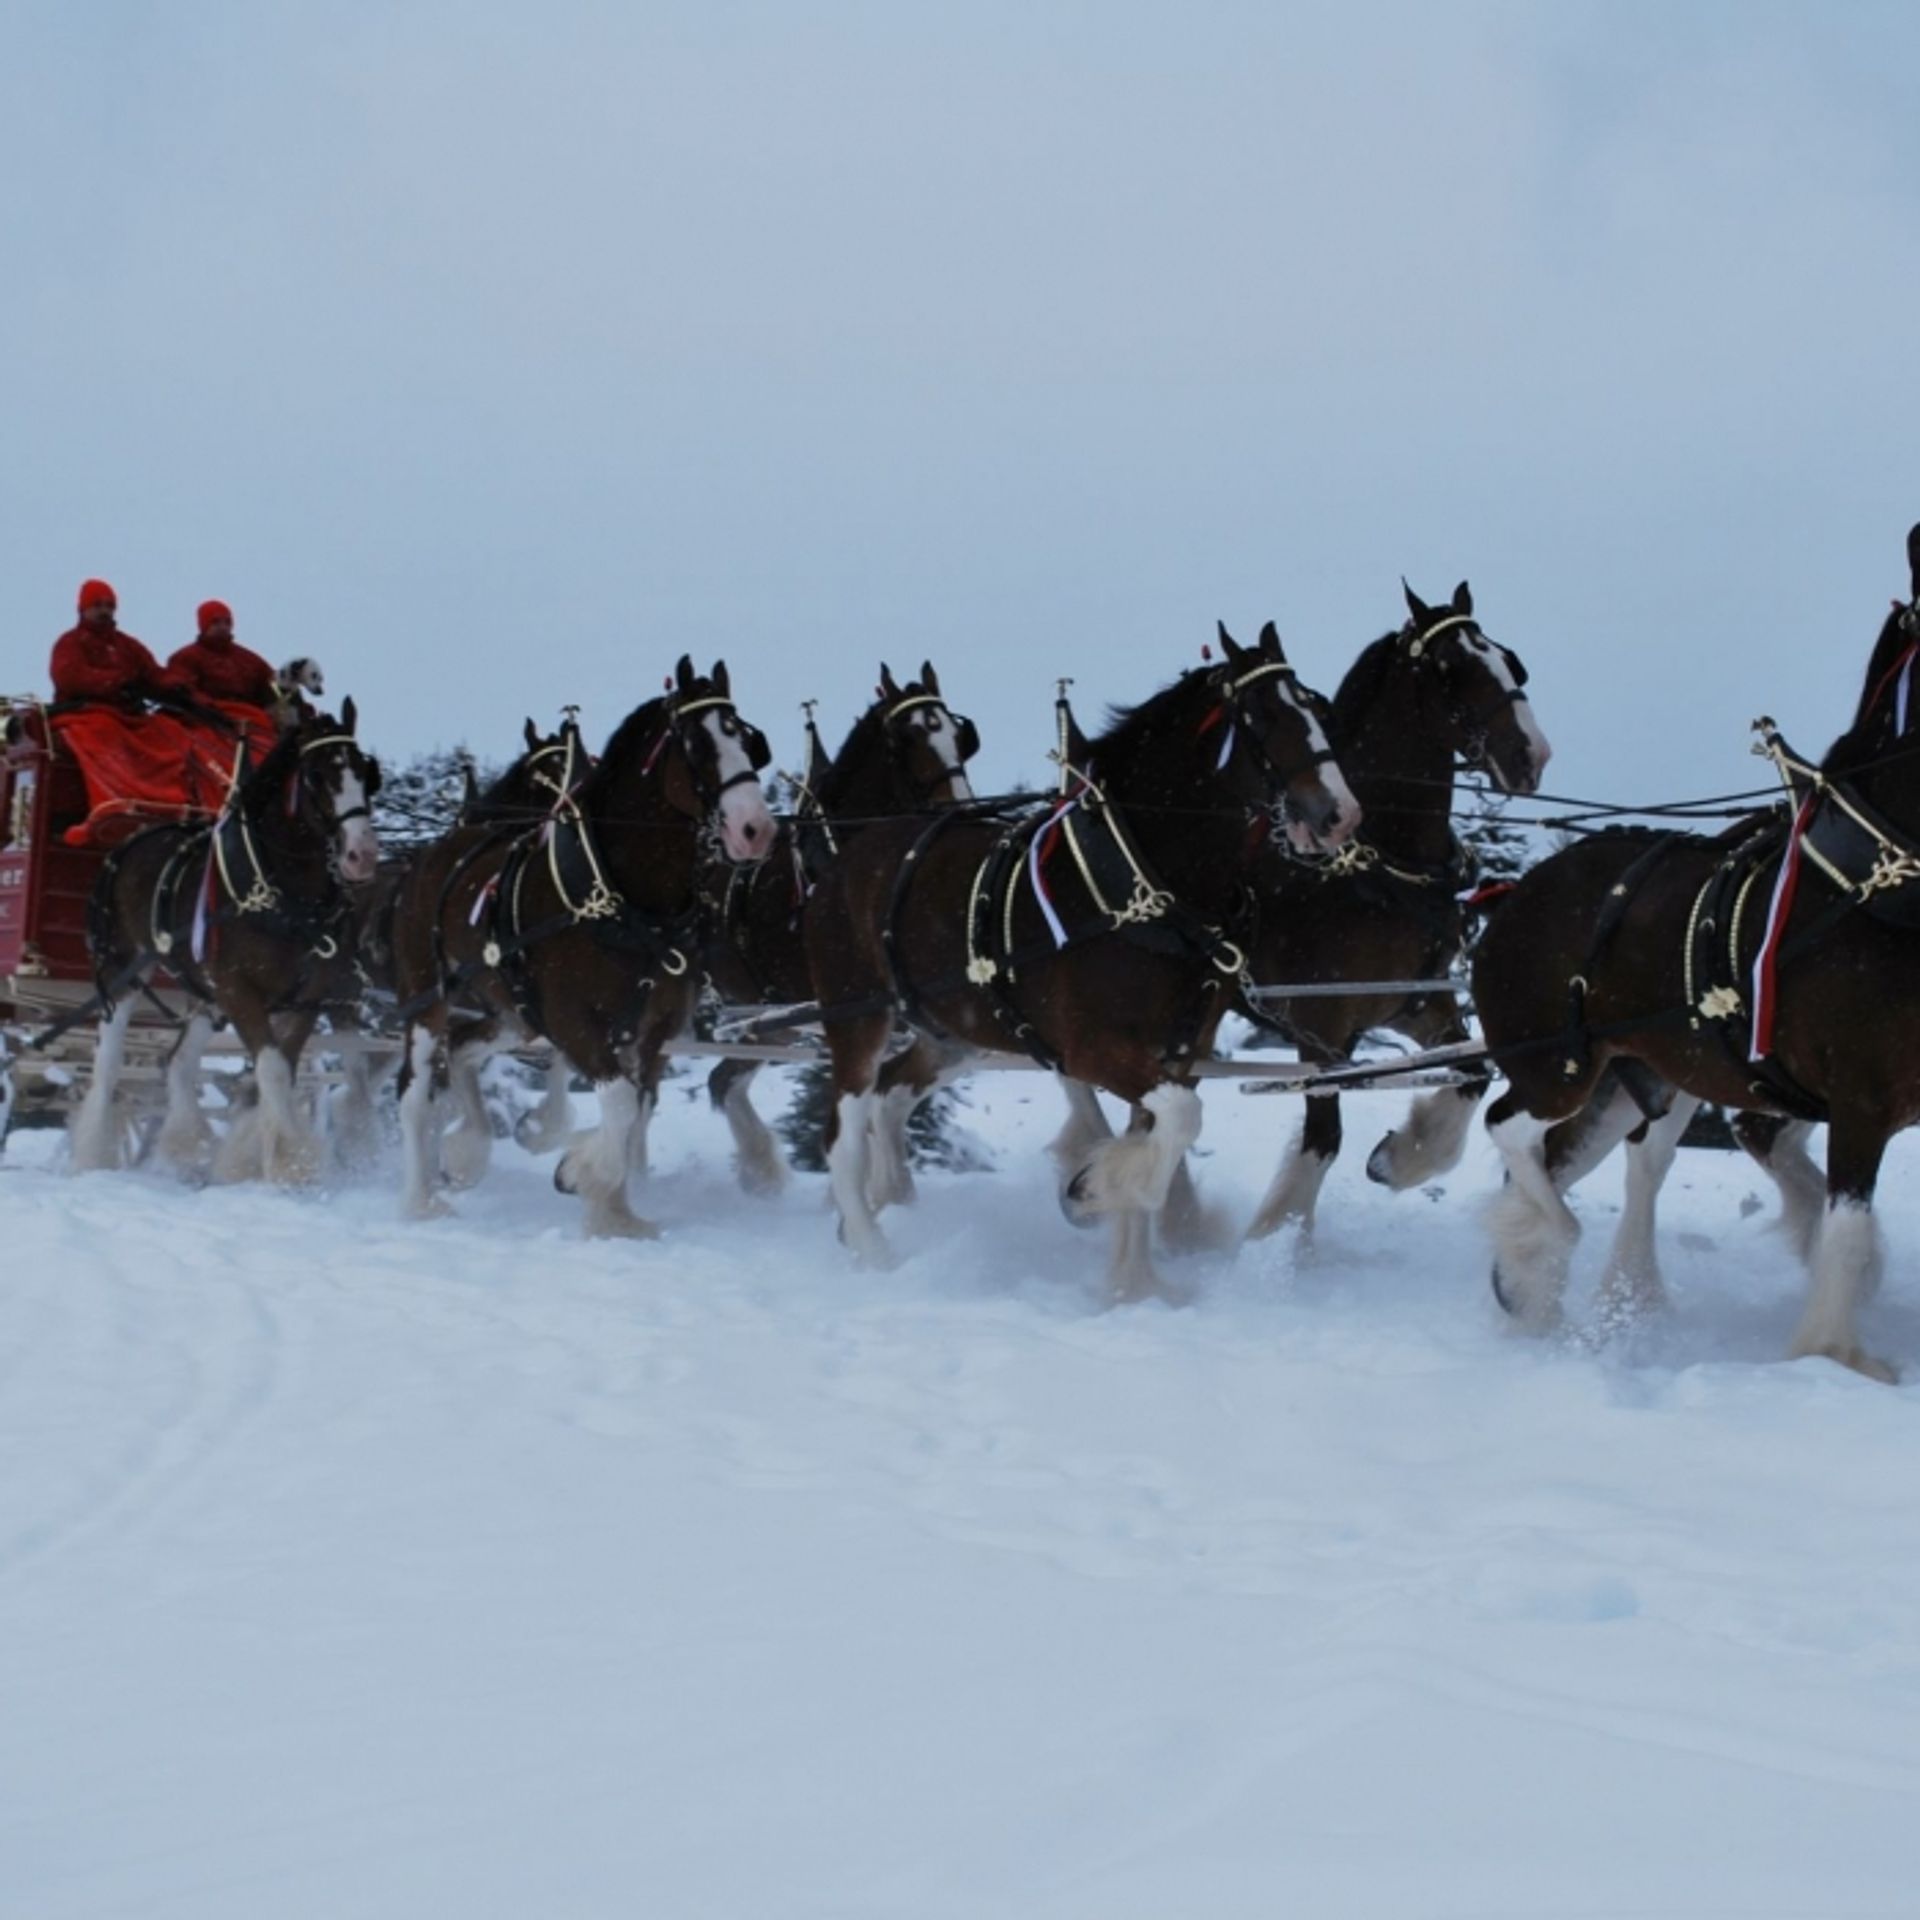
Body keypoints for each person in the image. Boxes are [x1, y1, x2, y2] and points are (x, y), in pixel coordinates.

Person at [49, 580, 189, 706]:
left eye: (110, 606)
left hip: (127, 715)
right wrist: (118, 682)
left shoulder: (128, 645)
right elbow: (70, 678)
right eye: (97, 605)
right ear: (83, 609)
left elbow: (152, 673)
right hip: (86, 712)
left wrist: (175, 685)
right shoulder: (70, 642)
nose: (105, 611)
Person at [167, 600, 277, 707]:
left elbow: (274, 684)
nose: (223, 627)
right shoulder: (186, 657)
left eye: (227, 622)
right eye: (215, 622)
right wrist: (210, 708)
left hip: (250, 717)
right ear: (204, 625)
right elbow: (182, 690)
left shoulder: (249, 660)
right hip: (206, 717)